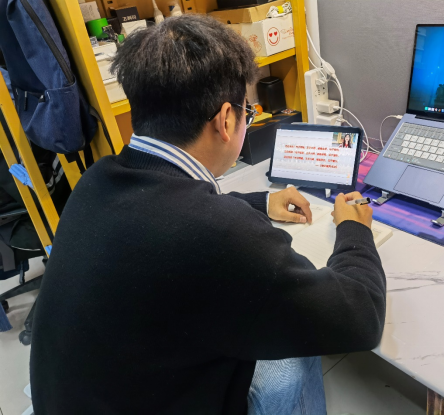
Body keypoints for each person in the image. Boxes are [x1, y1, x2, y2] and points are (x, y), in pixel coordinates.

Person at [30, 15, 386, 415]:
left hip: (85, 397)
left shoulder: (97, 181)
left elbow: (167, 212)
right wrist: (354, 230)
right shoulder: (219, 234)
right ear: (226, 119)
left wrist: (258, 202)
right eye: (248, 113)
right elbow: (361, 317)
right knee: (295, 351)